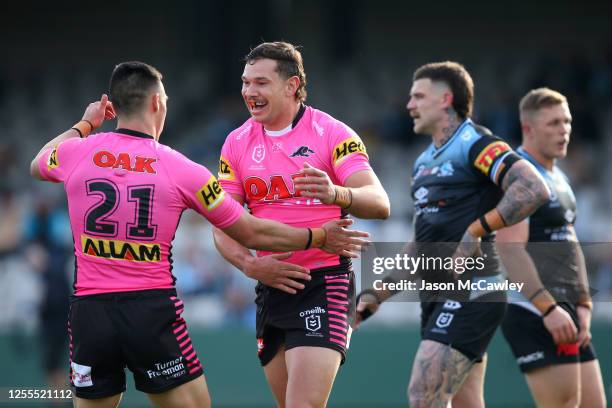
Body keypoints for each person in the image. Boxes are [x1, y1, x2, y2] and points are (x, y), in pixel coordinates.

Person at [29, 61, 369, 408]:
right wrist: (316, 237)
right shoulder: (181, 168)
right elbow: (250, 230)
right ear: (157, 104)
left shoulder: (76, 152)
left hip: (89, 312)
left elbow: (39, 160)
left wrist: (86, 123)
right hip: (150, 311)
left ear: (113, 106)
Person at [355, 61, 550, 408]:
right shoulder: (422, 163)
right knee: (464, 402)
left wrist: (477, 230)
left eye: (418, 96)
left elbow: (533, 188)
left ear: (446, 99)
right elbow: (421, 243)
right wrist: (378, 293)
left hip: (473, 291)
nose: (409, 105)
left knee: (423, 394)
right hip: (438, 295)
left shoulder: (475, 143)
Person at [212, 42, 390, 408]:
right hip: (270, 284)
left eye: (260, 82)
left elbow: (380, 202)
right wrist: (250, 265)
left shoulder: (332, 133)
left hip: (324, 281)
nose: (249, 92)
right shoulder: (236, 142)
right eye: (246, 83)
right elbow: (222, 224)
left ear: (292, 85)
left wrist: (337, 193)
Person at [497, 88, 606, 407]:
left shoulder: (558, 176)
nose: (564, 130)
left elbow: (569, 242)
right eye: (554, 123)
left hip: (567, 309)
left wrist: (583, 303)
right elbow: (510, 249)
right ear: (528, 128)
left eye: (567, 121)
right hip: (535, 309)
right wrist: (549, 309)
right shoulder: (519, 176)